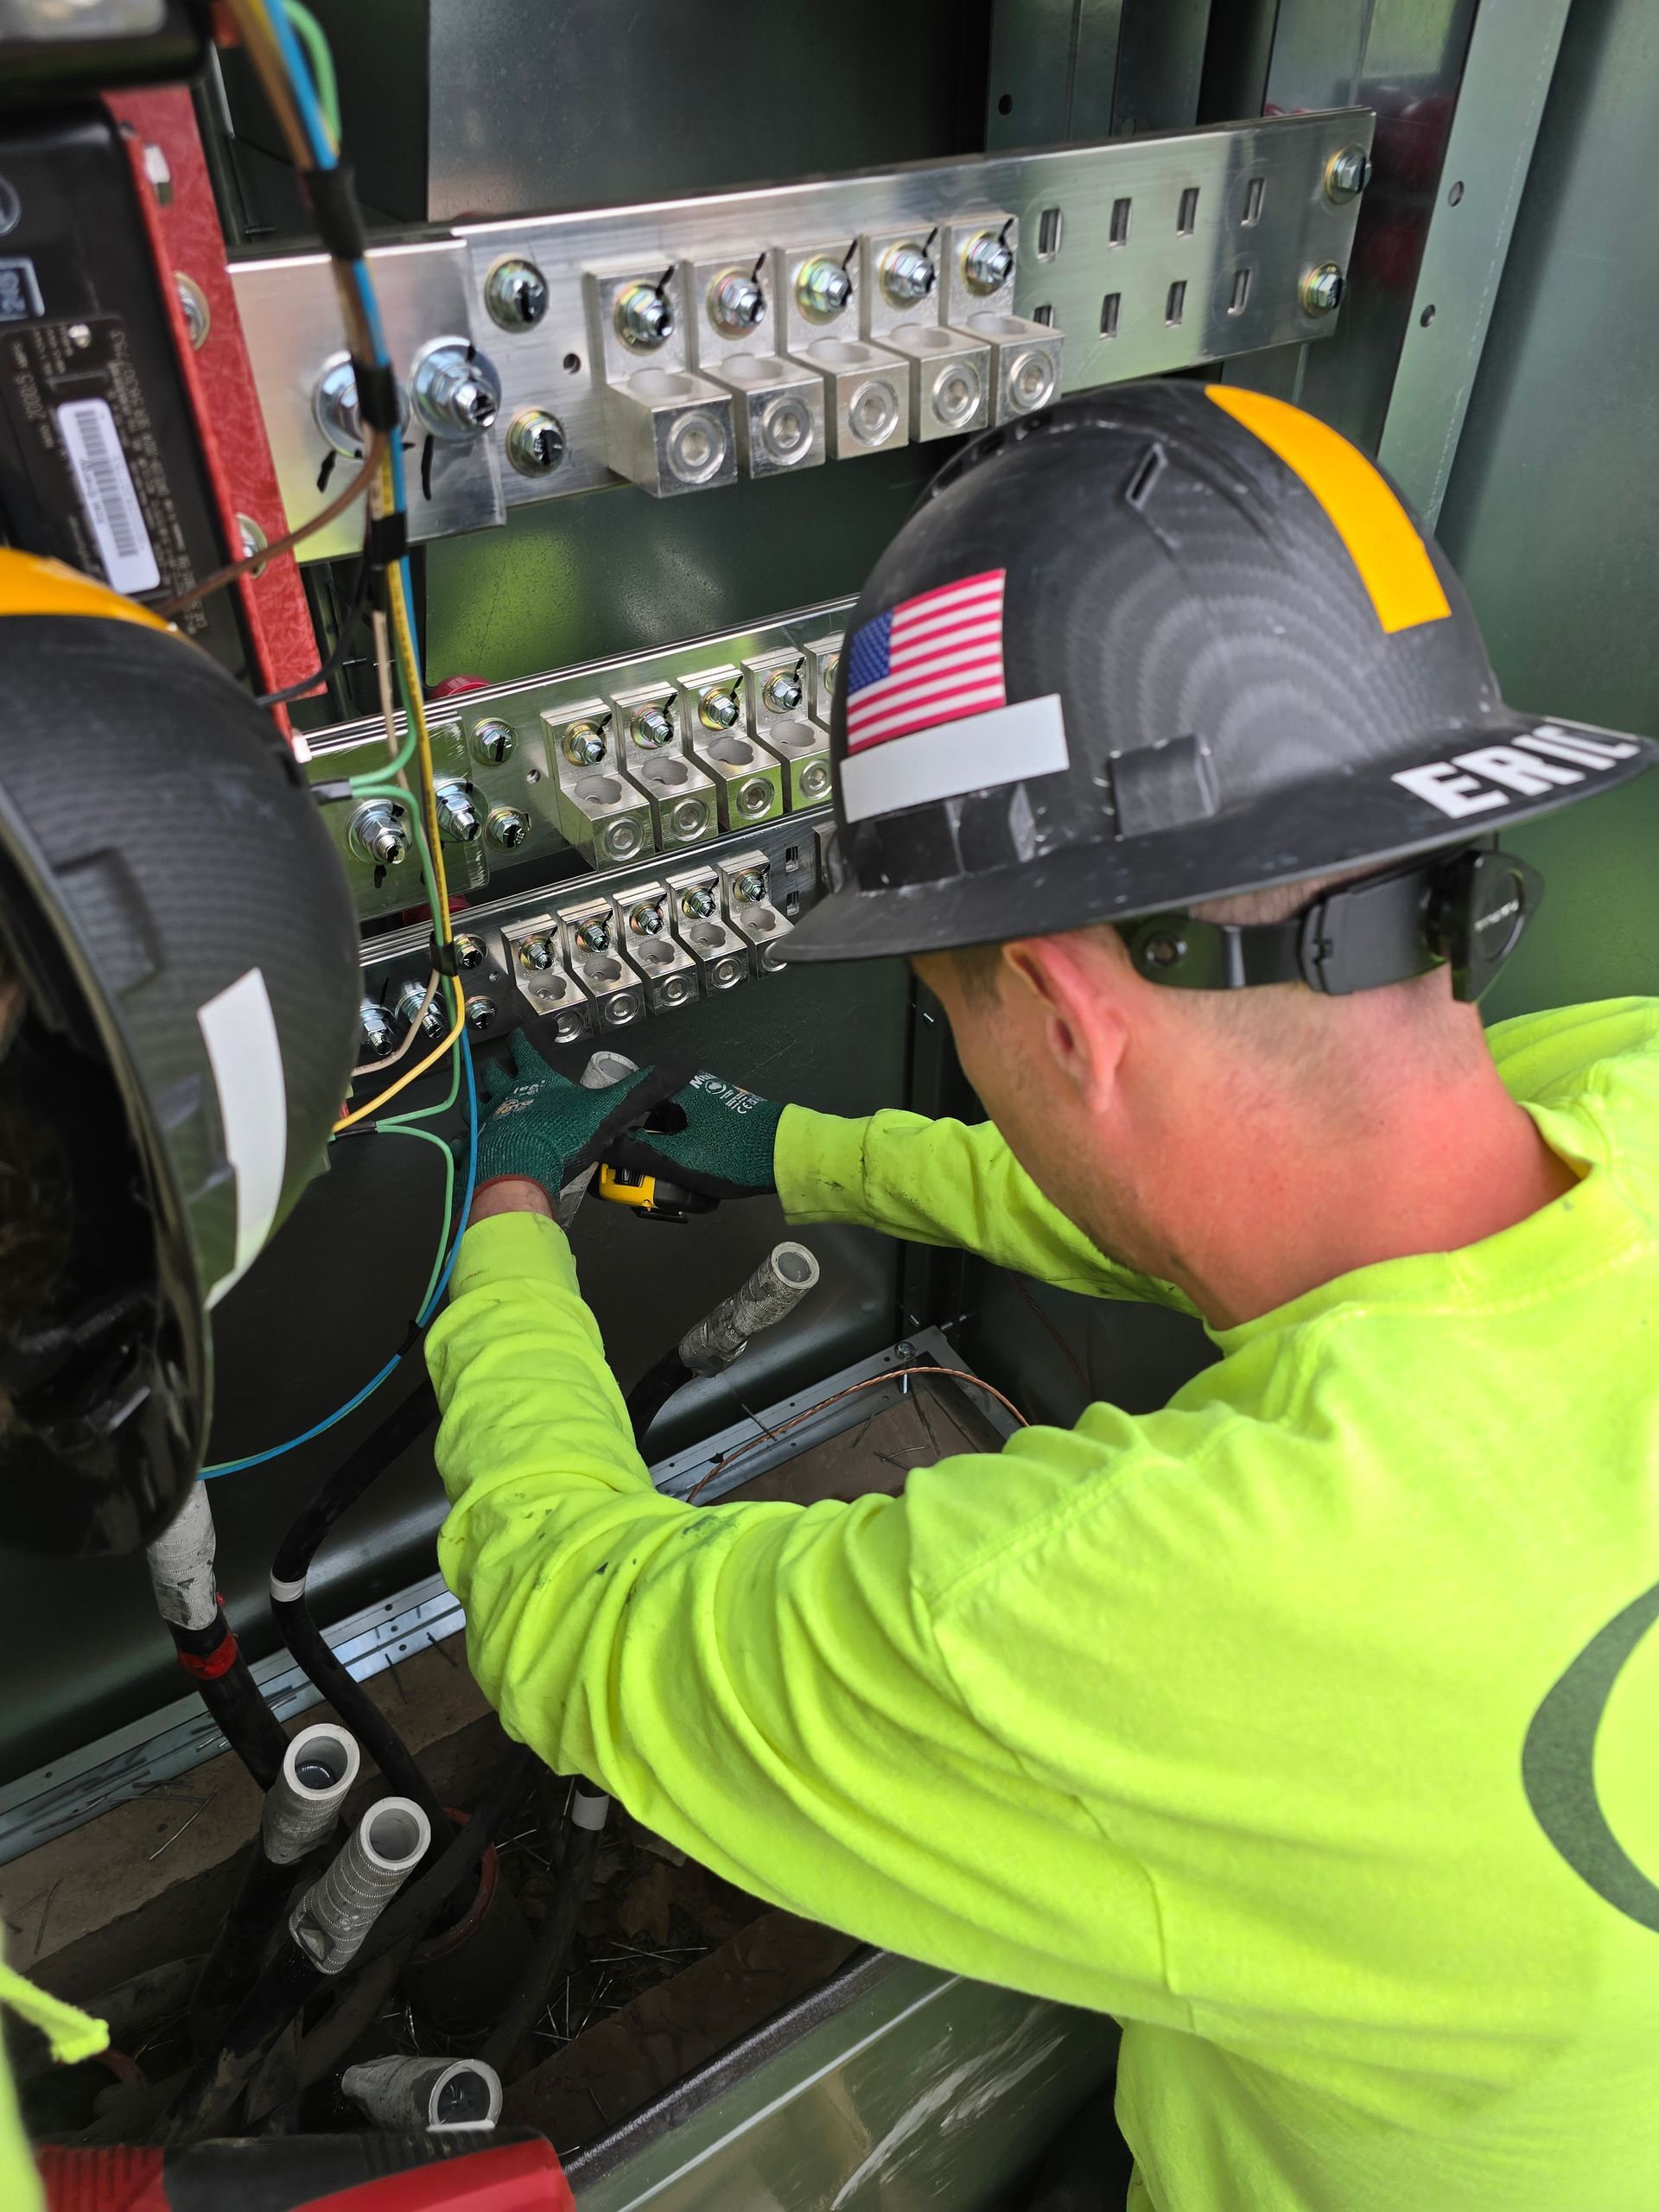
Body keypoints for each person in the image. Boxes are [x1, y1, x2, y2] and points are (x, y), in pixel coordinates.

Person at [427, 383, 1659, 2210]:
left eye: (961, 1011)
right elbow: (1237, 1193)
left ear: (1066, 1017)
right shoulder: (1627, 1081)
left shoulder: (1164, 1599)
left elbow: (576, 1617)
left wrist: (501, 1222)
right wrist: (804, 1153)